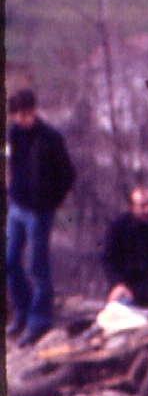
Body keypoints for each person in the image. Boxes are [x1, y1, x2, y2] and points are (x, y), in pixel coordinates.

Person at [6, 86, 76, 346]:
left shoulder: (50, 138)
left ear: (34, 111)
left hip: (39, 212)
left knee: (37, 266)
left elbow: (68, 175)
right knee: (10, 260)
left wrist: (49, 202)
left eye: (26, 114)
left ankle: (38, 320)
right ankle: (22, 312)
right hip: (16, 207)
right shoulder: (13, 133)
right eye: (17, 115)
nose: (22, 119)